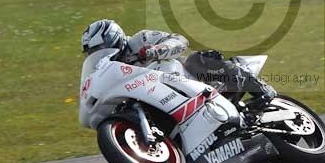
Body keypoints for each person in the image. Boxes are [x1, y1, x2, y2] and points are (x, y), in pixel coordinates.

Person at [80, 19, 277, 105]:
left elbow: (180, 41)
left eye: (99, 47)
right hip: (158, 96)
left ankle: (260, 87)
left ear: (113, 36)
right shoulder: (109, 69)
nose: (98, 53)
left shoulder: (139, 39)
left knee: (195, 60)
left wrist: (155, 50)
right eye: (93, 52)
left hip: (184, 74)